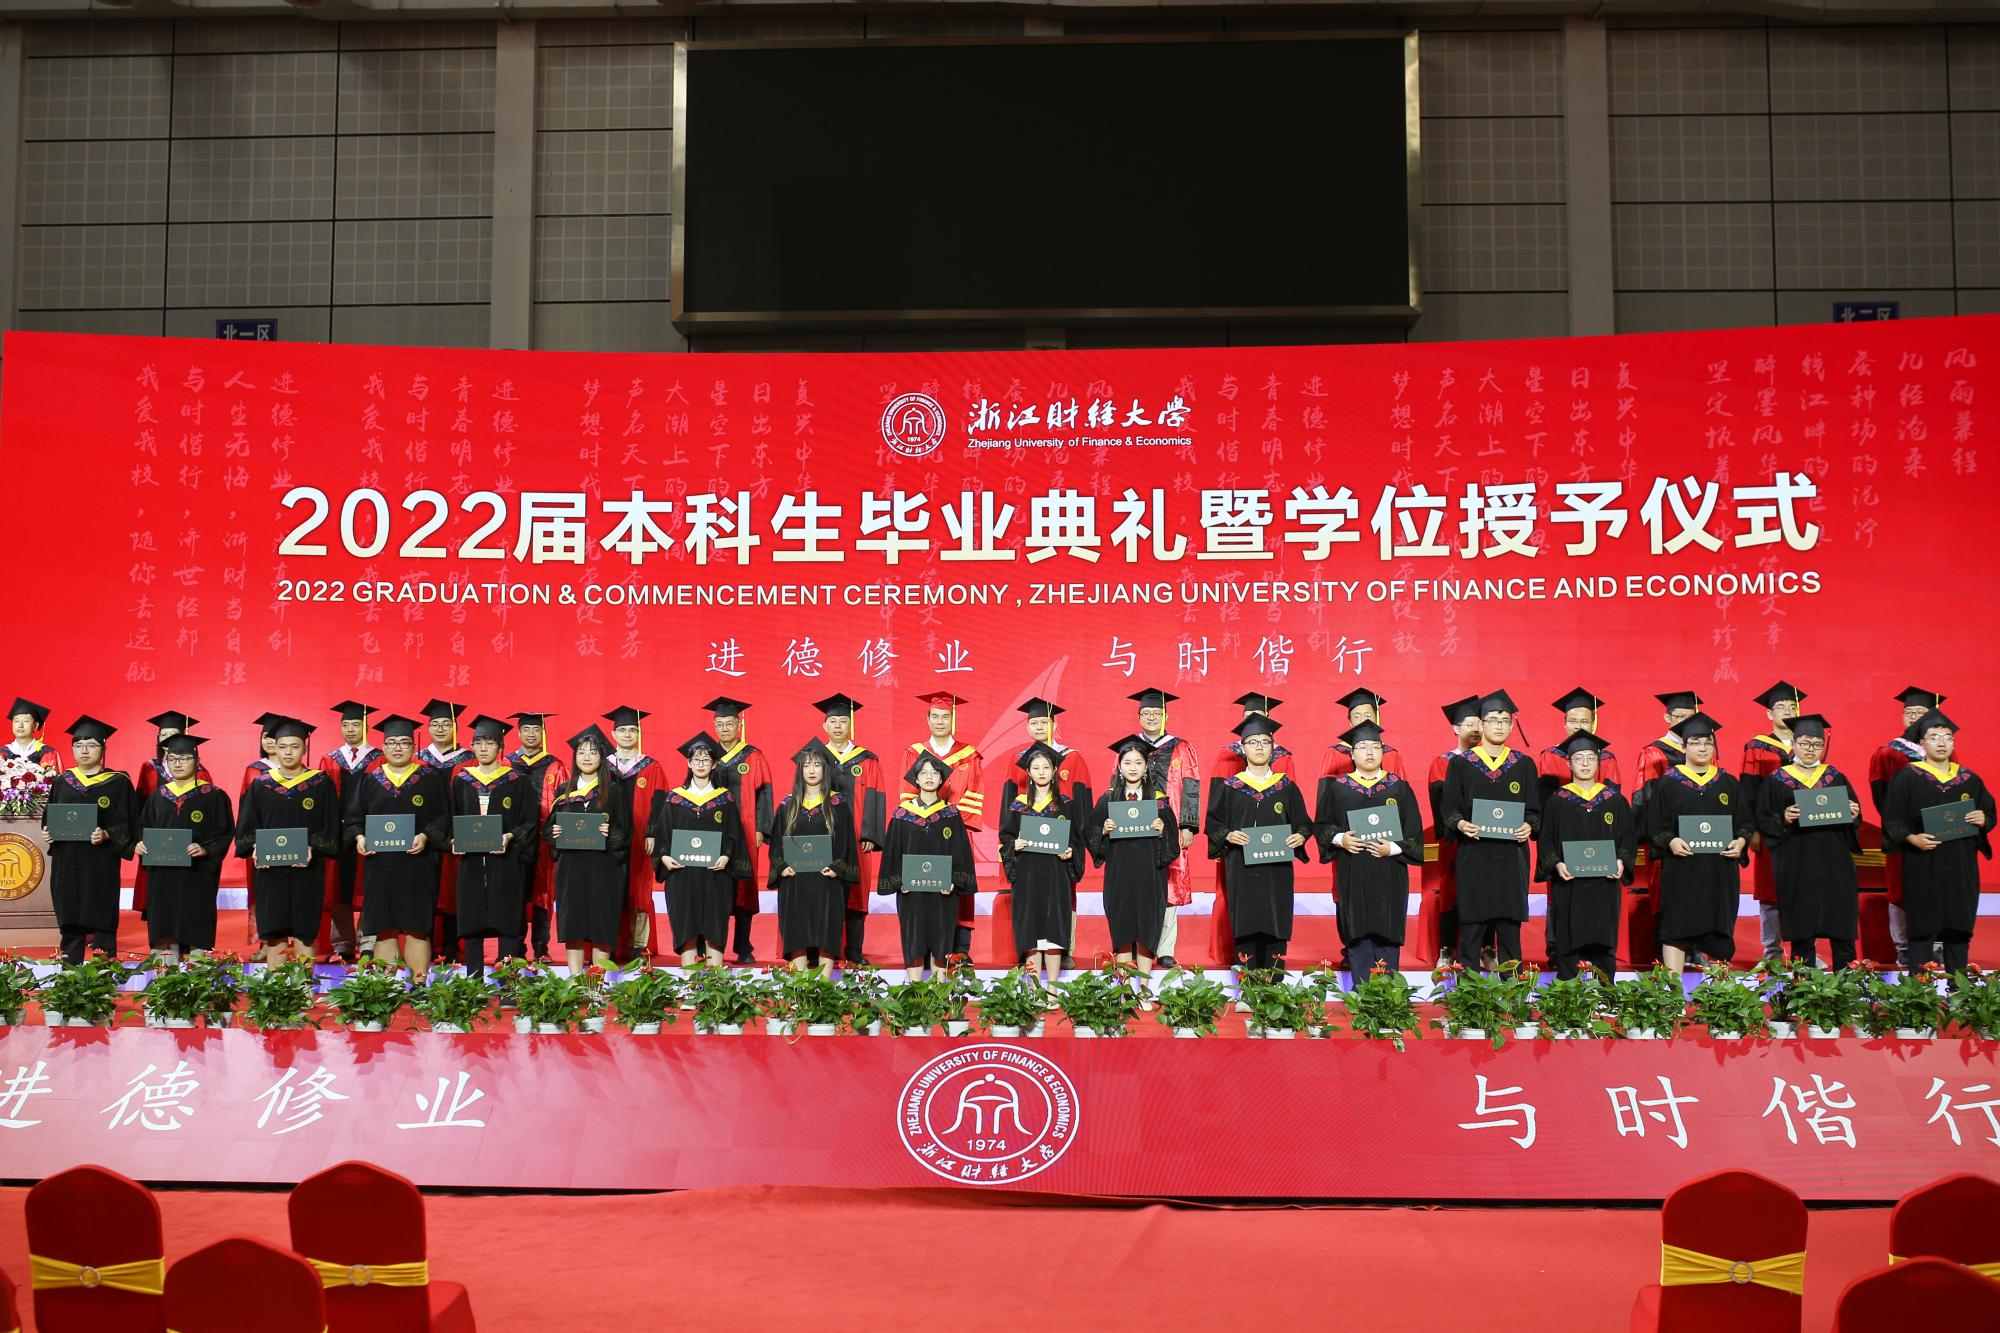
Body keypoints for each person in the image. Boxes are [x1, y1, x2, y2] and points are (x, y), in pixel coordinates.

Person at [1881, 709, 1994, 975]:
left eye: (1947, 738)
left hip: (1960, 863)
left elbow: (1988, 812)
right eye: (1934, 737)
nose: (1941, 743)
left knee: (1959, 926)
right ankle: (1919, 990)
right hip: (1922, 861)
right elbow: (1892, 817)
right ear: (1923, 743)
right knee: (1922, 927)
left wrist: (1983, 819)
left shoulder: (1968, 778)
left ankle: (1958, 986)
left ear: (1953, 743)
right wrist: (1912, 838)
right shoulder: (1907, 777)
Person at [1441, 690, 1541, 972]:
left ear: (1511, 726)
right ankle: (1469, 994)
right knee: (1471, 929)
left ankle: (1513, 994)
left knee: (1509, 930)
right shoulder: (1461, 763)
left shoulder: (1523, 764)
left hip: (1511, 857)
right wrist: (1460, 823)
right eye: (1493, 720)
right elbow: (1450, 807)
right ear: (1481, 724)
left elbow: (1534, 810)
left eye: (1505, 721)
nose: (1499, 725)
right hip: (1475, 855)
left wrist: (1529, 825)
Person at [1315, 720, 1421, 980]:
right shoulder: (1338, 788)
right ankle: (1360, 992)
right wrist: (1340, 839)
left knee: (1387, 929)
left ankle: (1389, 993)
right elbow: (1321, 826)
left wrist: (1393, 848)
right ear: (1352, 754)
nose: (1370, 752)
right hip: (1353, 870)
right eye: (1362, 747)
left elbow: (1415, 833)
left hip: (1390, 872)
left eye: (1375, 746)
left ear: (1383, 751)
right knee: (1358, 930)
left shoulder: (1399, 787)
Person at [1204, 715, 1310, 971]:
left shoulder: (1285, 786)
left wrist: (1300, 836)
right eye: (1253, 742)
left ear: (1273, 748)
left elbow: (1305, 823)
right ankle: (1248, 985)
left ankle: (1275, 986)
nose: (1259, 747)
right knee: (1246, 923)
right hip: (1242, 866)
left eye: (1265, 742)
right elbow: (1212, 822)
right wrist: (1227, 834)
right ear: (1243, 748)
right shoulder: (1230, 787)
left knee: (1276, 921)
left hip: (1277, 868)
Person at [1756, 714, 1862, 969]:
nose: (1810, 749)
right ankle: (1803, 983)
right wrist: (1783, 817)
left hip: (1834, 859)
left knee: (1841, 923)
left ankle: (1846, 982)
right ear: (1793, 743)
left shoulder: (1834, 776)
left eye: (1816, 744)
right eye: (1804, 743)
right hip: (1797, 860)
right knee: (1802, 924)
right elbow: (1763, 820)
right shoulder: (1777, 779)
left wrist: (1854, 814)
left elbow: (1854, 818)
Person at [1648, 711, 1750, 971]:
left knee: (1720, 931)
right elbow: (1654, 824)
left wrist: (1740, 842)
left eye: (1708, 743)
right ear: (1684, 747)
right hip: (1682, 869)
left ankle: (1720, 993)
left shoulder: (1728, 783)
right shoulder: (1667, 784)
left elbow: (1745, 822)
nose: (1703, 748)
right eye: (1695, 742)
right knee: (1676, 928)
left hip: (1720, 870)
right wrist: (1670, 841)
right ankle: (1673, 991)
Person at [233, 716, 340, 963]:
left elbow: (331, 826)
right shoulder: (261, 785)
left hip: (307, 869)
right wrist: (255, 845)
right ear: (274, 748)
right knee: (274, 931)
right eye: (282, 747)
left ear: (305, 748)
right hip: (270, 870)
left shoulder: (320, 783)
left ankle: (304, 982)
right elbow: (246, 828)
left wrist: (312, 846)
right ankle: (277, 985)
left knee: (305, 931)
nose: (288, 752)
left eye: (294, 746)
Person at [347, 714, 446, 975]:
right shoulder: (371, 779)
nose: (398, 748)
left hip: (418, 864)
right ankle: (387, 986)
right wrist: (360, 838)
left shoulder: (429, 778)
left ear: (413, 747)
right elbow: (355, 818)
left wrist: (425, 836)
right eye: (392, 743)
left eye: (404, 743)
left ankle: (418, 984)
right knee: (384, 927)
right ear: (384, 747)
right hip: (380, 863)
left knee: (417, 927)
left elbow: (442, 816)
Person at [1535, 731, 1635, 981]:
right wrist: (1556, 864)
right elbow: (1546, 840)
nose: (1585, 764)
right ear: (1569, 764)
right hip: (1569, 883)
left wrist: (1621, 861)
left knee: (1604, 939)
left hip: (1604, 883)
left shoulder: (1614, 800)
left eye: (1590, 758)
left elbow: (1627, 837)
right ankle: (1568, 991)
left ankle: (1606, 989)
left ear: (1598, 762)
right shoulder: (1557, 801)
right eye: (1578, 759)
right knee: (1568, 937)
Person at [451, 715, 537, 983]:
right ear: (472, 747)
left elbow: (530, 821)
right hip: (471, 862)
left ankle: (507, 984)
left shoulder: (516, 780)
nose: (483, 748)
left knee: (508, 919)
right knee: (472, 920)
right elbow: (452, 818)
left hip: (506, 861)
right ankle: (473, 984)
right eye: (478, 743)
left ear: (500, 747)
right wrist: (453, 840)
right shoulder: (462, 781)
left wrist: (510, 836)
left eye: (489, 742)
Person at [1010, 697, 1093, 968]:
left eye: (1044, 722)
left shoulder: (1072, 757)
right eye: (1033, 723)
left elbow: (1082, 801)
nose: (1038, 727)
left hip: (1062, 843)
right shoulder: (1018, 759)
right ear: (1027, 727)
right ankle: (1029, 952)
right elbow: (1009, 805)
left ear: (1054, 725)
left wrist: (1078, 842)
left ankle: (1065, 949)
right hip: (1029, 848)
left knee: (1063, 894)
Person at [133, 733, 232, 960]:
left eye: (184, 758)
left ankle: (198, 978)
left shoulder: (213, 796)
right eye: (172, 759)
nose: (177, 764)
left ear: (197, 761)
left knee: (196, 924)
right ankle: (165, 976)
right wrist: (141, 844)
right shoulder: (158, 796)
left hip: (197, 875)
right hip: (162, 876)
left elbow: (225, 833)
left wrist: (206, 850)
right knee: (164, 925)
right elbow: (143, 828)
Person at [45, 715, 134, 964]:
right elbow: (49, 817)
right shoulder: (63, 781)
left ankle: (104, 972)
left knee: (101, 913)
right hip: (67, 860)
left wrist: (107, 834)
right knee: (70, 915)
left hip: (100, 860)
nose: (84, 750)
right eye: (79, 745)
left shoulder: (118, 782)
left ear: (103, 748)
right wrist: (48, 833)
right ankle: (69, 972)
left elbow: (129, 822)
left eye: (91, 745)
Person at [1869, 685, 1948, 968]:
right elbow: (1881, 797)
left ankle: (1937, 944)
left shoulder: (1944, 752)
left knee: (1937, 888)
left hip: (1938, 834)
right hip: (1901, 836)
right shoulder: (1888, 753)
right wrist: (1903, 829)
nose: (1913, 717)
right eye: (1909, 712)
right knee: (1901, 891)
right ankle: (1903, 947)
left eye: (1920, 712)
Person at [877, 751, 975, 977]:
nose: (929, 777)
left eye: (934, 773)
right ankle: (916, 994)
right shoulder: (902, 815)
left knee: (942, 943)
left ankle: (939, 995)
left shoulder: (951, 814)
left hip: (943, 893)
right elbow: (892, 854)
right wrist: (899, 882)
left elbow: (961, 854)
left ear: (941, 779)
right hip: (911, 893)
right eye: (923, 773)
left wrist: (954, 881)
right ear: (916, 778)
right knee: (914, 943)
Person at [902, 692, 984, 955]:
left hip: (956, 832)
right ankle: (926, 948)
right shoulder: (914, 753)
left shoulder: (969, 756)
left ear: (952, 719)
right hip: (922, 832)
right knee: (924, 881)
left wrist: (952, 823)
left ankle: (960, 949)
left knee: (958, 882)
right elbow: (907, 795)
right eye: (935, 716)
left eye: (945, 716)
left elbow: (974, 793)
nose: (940, 721)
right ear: (927, 720)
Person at [650, 732, 741, 966]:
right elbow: (662, 835)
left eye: (706, 759)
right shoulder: (675, 798)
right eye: (696, 759)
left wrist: (726, 856)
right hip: (682, 874)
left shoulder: (725, 799)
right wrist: (664, 857)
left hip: (715, 875)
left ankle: (715, 986)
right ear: (689, 763)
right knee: (686, 928)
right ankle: (690, 984)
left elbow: (733, 834)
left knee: (714, 929)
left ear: (714, 764)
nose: (701, 764)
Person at [1088, 735, 1176, 974]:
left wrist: (1162, 831)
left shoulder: (1159, 801)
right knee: (1123, 929)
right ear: (1119, 766)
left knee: (1147, 928)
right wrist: (1103, 831)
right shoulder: (1108, 799)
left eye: (1138, 762)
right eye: (1127, 763)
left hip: (1151, 875)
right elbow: (1091, 835)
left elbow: (1173, 843)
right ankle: (1125, 987)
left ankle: (1144, 986)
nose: (1133, 768)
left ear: (1146, 767)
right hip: (1119, 874)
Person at [998, 741, 1084, 984]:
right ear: (1028, 772)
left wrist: (1071, 851)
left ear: (1055, 770)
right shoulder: (1018, 806)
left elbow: (1076, 840)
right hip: (1027, 874)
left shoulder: (1066, 805)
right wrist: (1013, 845)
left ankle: (1053, 989)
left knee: (1054, 929)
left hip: (1056, 875)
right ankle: (1035, 990)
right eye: (1036, 768)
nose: (1041, 772)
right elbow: (1005, 837)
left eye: (1046, 767)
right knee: (1031, 929)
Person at [767, 740, 855, 974]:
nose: (812, 770)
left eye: (817, 765)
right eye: (806, 765)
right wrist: (781, 866)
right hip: (795, 880)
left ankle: (825, 987)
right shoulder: (788, 805)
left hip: (827, 880)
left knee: (827, 931)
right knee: (797, 931)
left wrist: (837, 867)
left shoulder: (838, 804)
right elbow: (776, 844)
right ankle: (801, 986)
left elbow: (846, 843)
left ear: (825, 769)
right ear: (800, 770)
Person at [1629, 689, 1702, 969]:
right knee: (1668, 894)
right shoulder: (1654, 753)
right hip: (1666, 840)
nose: (1684, 722)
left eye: (1689, 717)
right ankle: (1667, 953)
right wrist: (1660, 836)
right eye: (1679, 716)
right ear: (1667, 718)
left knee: (1698, 890)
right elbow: (1644, 799)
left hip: (1699, 836)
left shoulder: (1702, 748)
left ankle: (1695, 949)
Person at [546, 724, 628, 971]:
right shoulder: (564, 790)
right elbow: (548, 829)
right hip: (571, 867)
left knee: (601, 923)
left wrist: (608, 833)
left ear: (602, 758)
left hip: (602, 867)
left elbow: (624, 831)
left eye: (593, 752)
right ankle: (574, 982)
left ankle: (597, 985)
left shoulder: (613, 791)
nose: (587, 757)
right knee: (574, 923)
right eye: (581, 752)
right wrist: (554, 833)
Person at [1132, 687, 1202, 966]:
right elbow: (1115, 784)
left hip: (1171, 827)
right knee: (1138, 881)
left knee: (1170, 883)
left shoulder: (1181, 747)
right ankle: (1138, 944)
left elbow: (1191, 786)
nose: (1152, 717)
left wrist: (1188, 825)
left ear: (1165, 716)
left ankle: (1165, 949)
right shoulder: (1130, 747)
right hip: (1135, 826)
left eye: (1157, 713)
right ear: (1139, 716)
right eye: (1146, 713)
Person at [816, 693, 886, 965]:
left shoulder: (867, 760)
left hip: (857, 836)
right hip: (823, 836)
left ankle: (854, 949)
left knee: (857, 891)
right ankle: (825, 948)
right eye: (832, 721)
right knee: (824, 889)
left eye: (843, 721)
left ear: (850, 725)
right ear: (825, 725)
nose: (837, 726)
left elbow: (875, 796)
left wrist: (871, 834)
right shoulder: (815, 758)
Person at [131, 710, 209, 953]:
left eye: (172, 735)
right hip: (159, 848)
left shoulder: (203, 776)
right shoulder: (150, 769)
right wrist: (139, 839)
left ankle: (189, 948)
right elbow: (140, 807)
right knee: (159, 900)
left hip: (190, 853)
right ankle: (165, 951)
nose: (167, 740)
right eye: (163, 735)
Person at [1740, 681, 1805, 962]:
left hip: (1805, 830)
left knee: (1803, 889)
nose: (1788, 711)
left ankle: (1804, 953)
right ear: (1769, 713)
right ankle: (1773, 952)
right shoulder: (1757, 747)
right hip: (1770, 829)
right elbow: (1747, 792)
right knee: (1770, 891)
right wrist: (1751, 831)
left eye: (1792, 706)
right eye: (1781, 707)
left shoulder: (1807, 743)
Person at [707, 697, 774, 965]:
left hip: (746, 830)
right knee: (715, 886)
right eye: (720, 724)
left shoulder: (753, 755)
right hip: (713, 832)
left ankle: (743, 945)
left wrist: (762, 829)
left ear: (739, 724)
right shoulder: (706, 755)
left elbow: (764, 793)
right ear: (714, 726)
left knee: (744, 888)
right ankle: (713, 945)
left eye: (730, 723)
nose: (725, 728)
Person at [318, 700, 382, 964]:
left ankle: (368, 942)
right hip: (336, 833)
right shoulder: (329, 759)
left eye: (356, 724)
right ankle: (343, 943)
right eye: (346, 725)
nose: (351, 729)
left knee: (369, 887)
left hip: (370, 831)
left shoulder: (379, 757)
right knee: (339, 890)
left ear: (365, 727)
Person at [1424, 696, 1484, 967]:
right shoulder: (1443, 761)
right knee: (1452, 890)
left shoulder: (1492, 762)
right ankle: (1447, 948)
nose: (1476, 729)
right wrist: (1457, 825)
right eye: (1469, 724)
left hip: (1485, 837)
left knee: (1485, 888)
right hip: (1455, 839)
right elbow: (1440, 802)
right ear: (1456, 729)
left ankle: (1486, 947)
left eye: (1479, 724)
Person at [603, 704, 664, 961]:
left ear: (638, 733)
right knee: (610, 887)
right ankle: (609, 942)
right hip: (608, 837)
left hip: (640, 838)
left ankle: (639, 944)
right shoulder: (603, 766)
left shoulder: (651, 767)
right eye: (622, 730)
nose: (627, 734)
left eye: (632, 730)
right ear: (613, 734)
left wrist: (652, 832)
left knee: (638, 888)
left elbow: (659, 802)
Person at [507, 710, 566, 963]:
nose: (531, 734)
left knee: (543, 893)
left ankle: (541, 947)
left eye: (536, 729)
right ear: (518, 733)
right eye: (526, 729)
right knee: (515, 891)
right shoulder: (507, 763)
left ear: (543, 733)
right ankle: (516, 947)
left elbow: (563, 803)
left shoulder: (555, 765)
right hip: (514, 839)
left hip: (544, 840)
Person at [418, 698, 472, 963]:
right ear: (428, 728)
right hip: (424, 835)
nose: (440, 729)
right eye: (435, 724)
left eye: (446, 724)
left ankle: (451, 944)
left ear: (455, 728)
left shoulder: (468, 760)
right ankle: (424, 943)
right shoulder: (418, 759)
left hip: (456, 834)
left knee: (452, 891)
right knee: (425, 888)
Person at [1537, 688, 1623, 799]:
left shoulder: (1606, 759)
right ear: (1564, 723)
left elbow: (1613, 799)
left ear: (1592, 724)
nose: (1578, 726)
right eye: (1572, 721)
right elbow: (1545, 799)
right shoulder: (1550, 756)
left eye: (1584, 721)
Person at [1319, 689, 1407, 778]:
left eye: (1368, 716)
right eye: (1357, 717)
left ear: (1377, 718)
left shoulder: (1391, 754)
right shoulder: (1335, 753)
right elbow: (1326, 785)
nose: (1362, 720)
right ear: (1350, 722)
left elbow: (1402, 786)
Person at [4, 698, 57, 769]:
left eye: (25, 721)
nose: (20, 725)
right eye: (16, 721)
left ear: (35, 726)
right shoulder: (3, 752)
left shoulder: (47, 752)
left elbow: (55, 775)